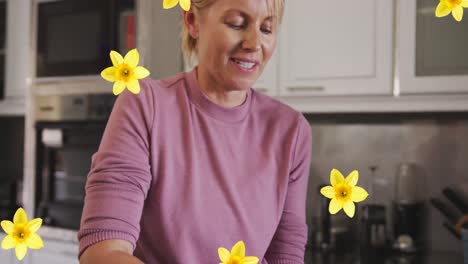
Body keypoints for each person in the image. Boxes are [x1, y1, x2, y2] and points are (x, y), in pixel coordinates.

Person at [78, 0, 312, 263]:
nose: (254, 43)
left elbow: (286, 254)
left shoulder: (290, 131)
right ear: (192, 21)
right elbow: (103, 250)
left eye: (267, 29)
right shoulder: (145, 106)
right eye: (236, 23)